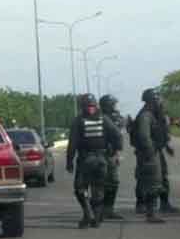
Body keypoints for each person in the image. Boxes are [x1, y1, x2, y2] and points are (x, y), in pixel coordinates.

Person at [67, 93, 122, 229]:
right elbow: (118, 136)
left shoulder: (78, 120)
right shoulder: (104, 119)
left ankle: (88, 213)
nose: (91, 108)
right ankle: (95, 219)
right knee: (98, 190)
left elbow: (72, 144)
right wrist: (113, 150)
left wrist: (69, 161)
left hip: (86, 160)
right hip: (102, 160)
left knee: (80, 188)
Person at [133, 88, 166, 223]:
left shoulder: (150, 114)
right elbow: (144, 136)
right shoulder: (146, 116)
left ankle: (150, 211)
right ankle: (151, 213)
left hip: (149, 153)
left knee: (151, 182)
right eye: (157, 99)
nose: (160, 101)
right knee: (154, 182)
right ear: (152, 100)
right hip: (149, 154)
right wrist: (151, 151)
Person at [99, 94, 124, 220]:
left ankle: (108, 209)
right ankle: (101, 210)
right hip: (103, 154)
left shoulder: (114, 117)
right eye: (113, 104)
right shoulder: (101, 118)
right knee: (104, 183)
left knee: (113, 182)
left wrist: (117, 153)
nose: (115, 106)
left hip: (110, 154)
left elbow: (120, 130)